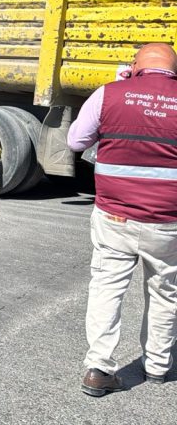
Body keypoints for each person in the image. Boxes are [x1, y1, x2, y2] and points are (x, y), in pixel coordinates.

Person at [68, 42, 177, 397]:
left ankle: (99, 368)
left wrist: (118, 88)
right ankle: (158, 366)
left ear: (135, 65)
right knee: (164, 290)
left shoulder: (109, 94)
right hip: (168, 221)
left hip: (114, 215)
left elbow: (76, 141)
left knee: (107, 287)